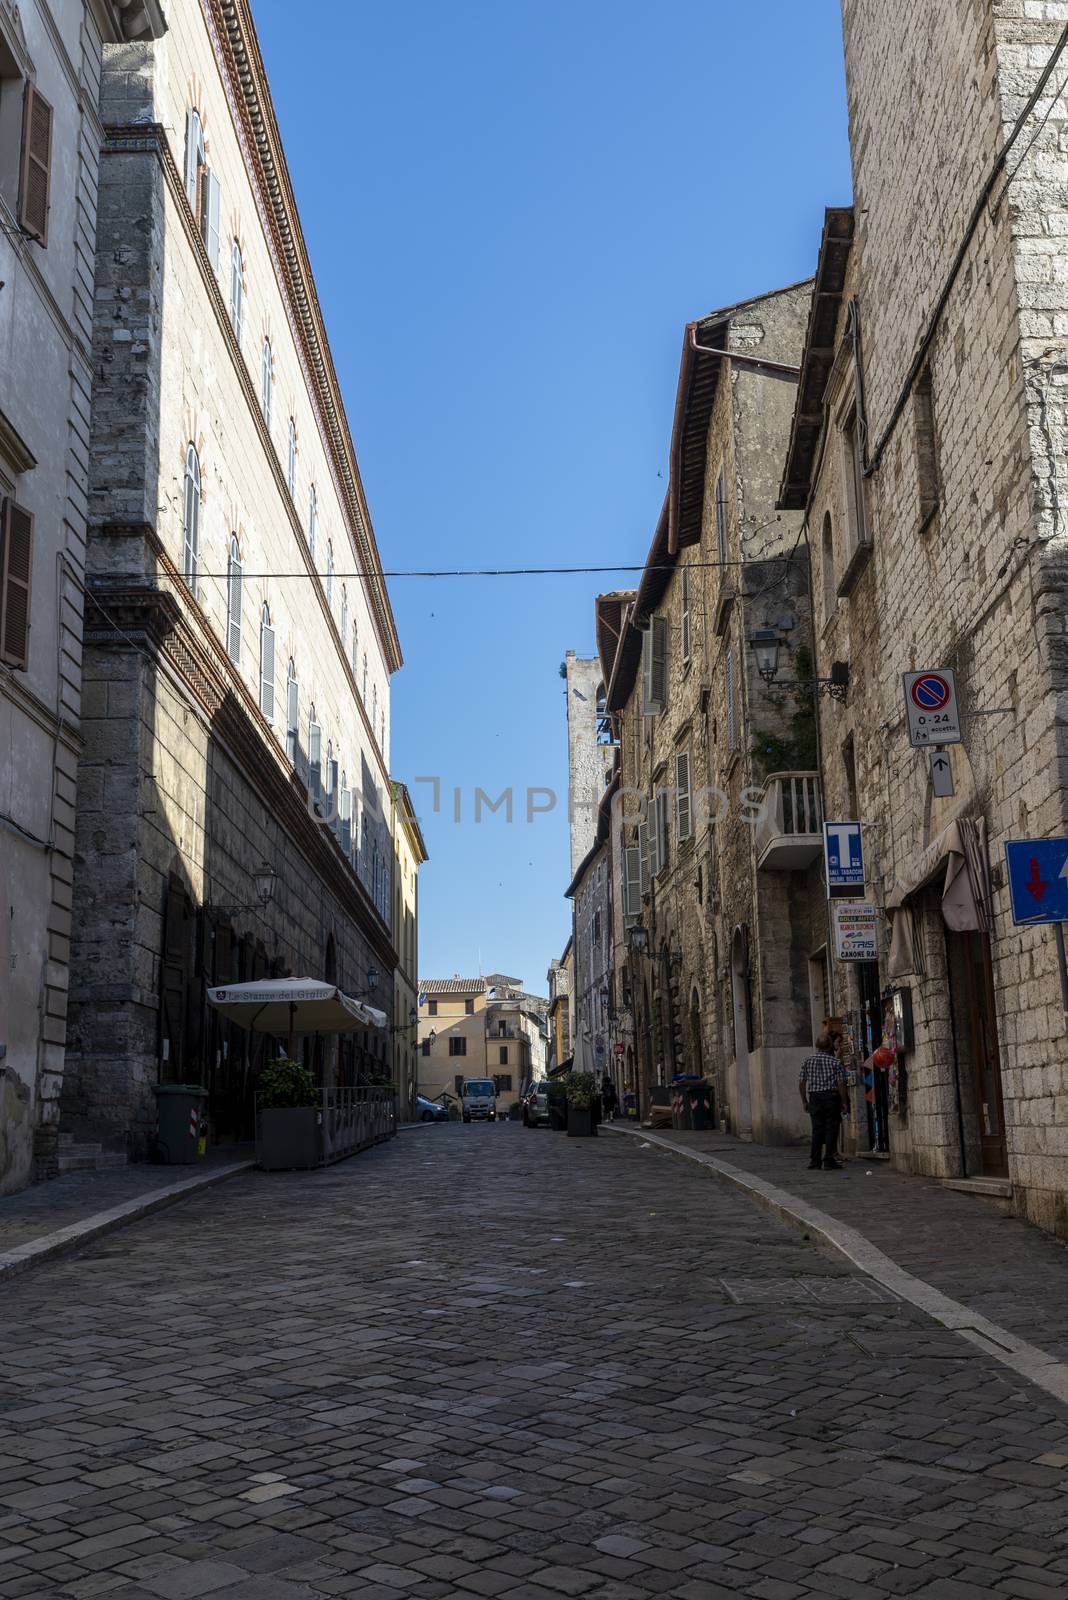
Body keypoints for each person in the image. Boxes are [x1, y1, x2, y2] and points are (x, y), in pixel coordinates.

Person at [799, 1031, 850, 1170]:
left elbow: (802, 1082)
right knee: (831, 1128)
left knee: (817, 1129)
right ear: (829, 1046)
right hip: (831, 1097)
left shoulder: (807, 1061)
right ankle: (828, 1159)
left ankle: (815, 1161)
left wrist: (804, 1101)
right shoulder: (835, 1062)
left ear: (817, 1046)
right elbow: (841, 1083)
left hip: (815, 1098)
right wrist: (844, 1102)